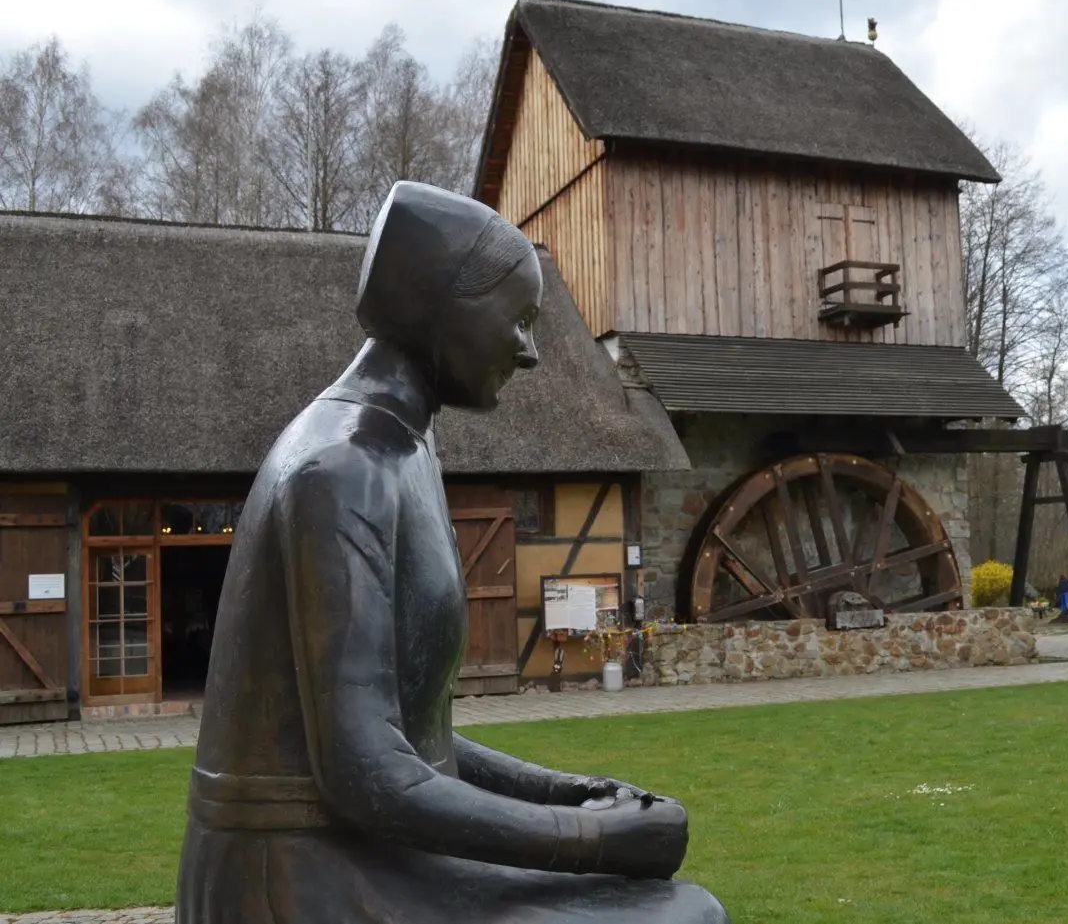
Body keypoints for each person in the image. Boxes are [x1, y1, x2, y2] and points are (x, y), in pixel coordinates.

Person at [177, 183, 727, 924]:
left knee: (675, 903)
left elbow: (414, 741)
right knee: (681, 915)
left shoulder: (405, 445)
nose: (529, 352)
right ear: (449, 305)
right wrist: (593, 837)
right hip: (297, 873)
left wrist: (572, 791)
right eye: (520, 320)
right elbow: (367, 772)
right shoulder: (341, 469)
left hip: (358, 847)